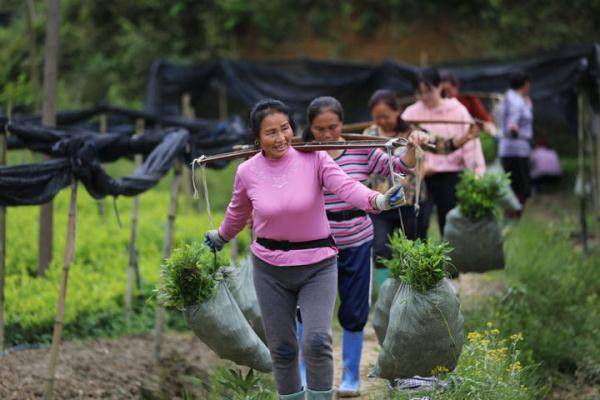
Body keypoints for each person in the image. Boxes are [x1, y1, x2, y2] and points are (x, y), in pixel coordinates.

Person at [204, 99, 406, 400]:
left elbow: (347, 186)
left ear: (293, 129)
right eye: (270, 132)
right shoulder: (247, 171)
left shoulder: (315, 159)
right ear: (256, 138)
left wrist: (377, 201)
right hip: (270, 268)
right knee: (283, 348)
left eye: (285, 128)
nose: (280, 137)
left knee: (316, 341)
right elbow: (236, 213)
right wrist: (220, 236)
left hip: (317, 264)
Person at [300, 96, 429, 397]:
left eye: (333, 127)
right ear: (310, 128)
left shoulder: (361, 150)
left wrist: (411, 146)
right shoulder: (303, 156)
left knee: (355, 309)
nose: (327, 134)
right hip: (316, 243)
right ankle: (304, 372)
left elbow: (397, 168)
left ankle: (350, 376)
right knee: (306, 310)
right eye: (320, 129)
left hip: (357, 238)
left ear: (342, 124)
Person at [364, 88, 482, 284]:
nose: (381, 121)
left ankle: (413, 289)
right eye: (377, 117)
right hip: (381, 204)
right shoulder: (369, 134)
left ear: (397, 111)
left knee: (413, 248)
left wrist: (466, 138)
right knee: (380, 249)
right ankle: (388, 294)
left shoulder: (413, 132)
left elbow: (442, 146)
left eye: (385, 116)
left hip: (411, 202)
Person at [402, 68, 486, 236]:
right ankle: (421, 260)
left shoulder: (457, 111)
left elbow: (470, 142)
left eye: (429, 91)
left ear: (440, 86)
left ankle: (451, 261)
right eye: (420, 93)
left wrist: (477, 173)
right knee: (418, 223)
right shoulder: (411, 114)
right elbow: (402, 145)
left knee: (449, 223)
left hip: (450, 176)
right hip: (421, 177)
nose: (425, 97)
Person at [498, 70, 533, 210]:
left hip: (508, 148)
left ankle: (512, 214)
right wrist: (514, 129)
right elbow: (513, 124)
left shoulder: (509, 97)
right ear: (525, 84)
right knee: (519, 186)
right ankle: (514, 214)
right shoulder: (516, 100)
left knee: (511, 184)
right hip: (517, 150)